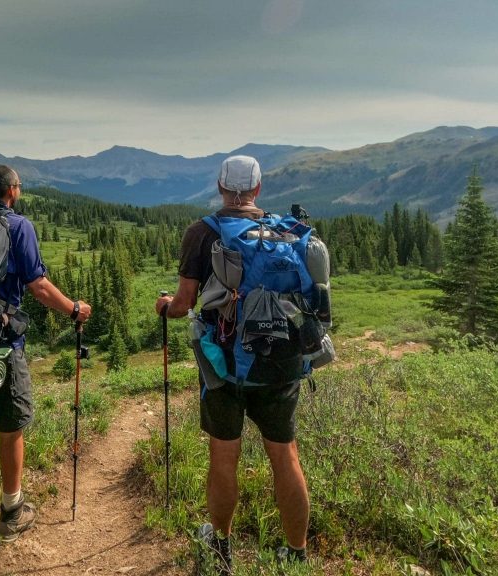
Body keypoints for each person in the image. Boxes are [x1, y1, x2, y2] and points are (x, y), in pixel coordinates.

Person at [155, 155, 310, 572]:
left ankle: (220, 546)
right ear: (257, 190)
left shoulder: (202, 233)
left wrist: (167, 307)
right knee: (286, 455)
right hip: (280, 364)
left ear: (222, 188)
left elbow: (185, 303)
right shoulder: (287, 233)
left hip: (223, 365)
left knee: (224, 455)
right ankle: (296, 552)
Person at [0, 164, 92, 542]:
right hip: (2, 344)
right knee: (10, 428)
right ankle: (12, 512)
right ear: (11, 191)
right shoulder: (17, 226)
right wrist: (75, 309)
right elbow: (39, 286)